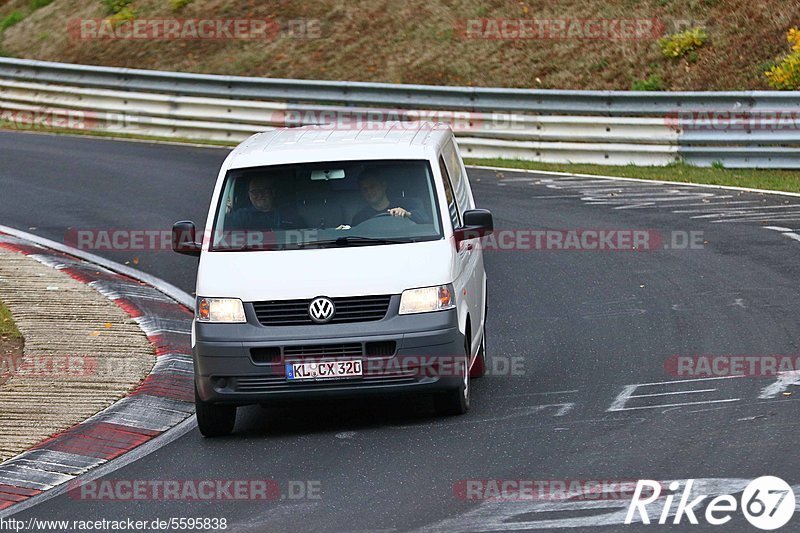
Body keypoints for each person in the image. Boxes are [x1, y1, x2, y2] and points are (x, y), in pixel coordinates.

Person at [226, 175, 306, 231]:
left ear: (273, 192)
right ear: (249, 195)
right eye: (255, 192)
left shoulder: (290, 215)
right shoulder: (240, 217)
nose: (260, 195)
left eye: (264, 190)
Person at [351, 173, 430, 225]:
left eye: (372, 187)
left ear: (383, 186)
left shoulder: (408, 204)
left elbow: (425, 219)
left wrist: (407, 214)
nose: (369, 191)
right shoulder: (360, 218)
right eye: (365, 189)